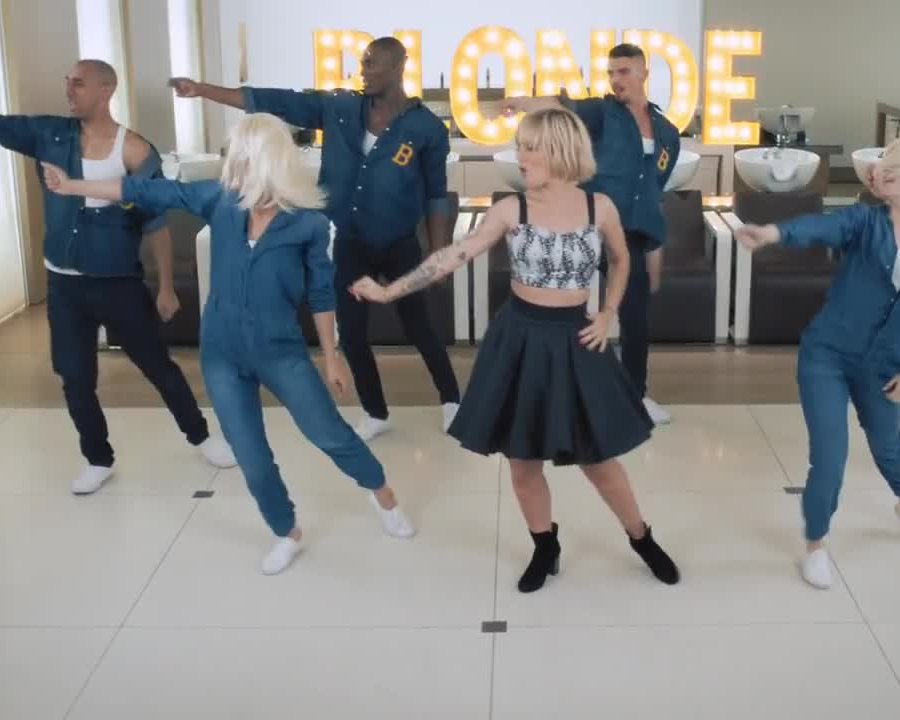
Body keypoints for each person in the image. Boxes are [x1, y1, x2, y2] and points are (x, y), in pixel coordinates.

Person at [43, 113, 416, 575]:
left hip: (280, 353)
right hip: (221, 354)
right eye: (232, 157)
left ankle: (383, 494)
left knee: (329, 434)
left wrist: (332, 357)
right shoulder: (219, 202)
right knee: (251, 457)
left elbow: (322, 295)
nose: (233, 167)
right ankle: (286, 531)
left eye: (242, 158)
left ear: (268, 163)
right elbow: (145, 190)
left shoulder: (309, 225)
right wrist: (71, 186)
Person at [350, 108, 679, 593]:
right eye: (519, 146)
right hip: (521, 337)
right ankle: (545, 546)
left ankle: (641, 538)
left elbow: (621, 257)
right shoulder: (510, 209)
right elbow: (454, 255)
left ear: (558, 150)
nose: (519, 156)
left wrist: (608, 311)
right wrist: (389, 291)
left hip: (576, 338)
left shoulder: (600, 207)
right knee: (524, 462)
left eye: (528, 147)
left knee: (599, 460)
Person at [0, 60, 235, 495]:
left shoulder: (135, 151)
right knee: (75, 376)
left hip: (118, 281)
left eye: (78, 83)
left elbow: (156, 223)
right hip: (64, 284)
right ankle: (98, 459)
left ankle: (201, 436)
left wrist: (167, 287)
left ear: (106, 89)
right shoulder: (46, 133)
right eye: (68, 83)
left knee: (157, 366)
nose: (69, 90)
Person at [167, 37, 460, 442]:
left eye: (372, 63)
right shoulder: (339, 107)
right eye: (363, 62)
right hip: (351, 243)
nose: (363, 70)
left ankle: (452, 401)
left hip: (399, 245)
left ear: (397, 68)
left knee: (420, 326)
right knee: (352, 334)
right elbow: (273, 100)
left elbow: (436, 195)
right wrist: (202, 90)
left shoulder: (426, 128)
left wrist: (441, 253)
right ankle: (375, 412)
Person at [734, 136, 900, 590]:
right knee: (829, 457)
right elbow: (821, 227)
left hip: (884, 366)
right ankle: (816, 544)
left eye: (891, 170)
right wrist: (774, 233)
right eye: (882, 168)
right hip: (827, 355)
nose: (880, 175)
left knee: (888, 447)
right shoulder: (865, 221)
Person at [504, 43, 681, 426]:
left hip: (631, 237)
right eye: (611, 72)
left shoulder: (668, 132)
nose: (616, 79)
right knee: (563, 312)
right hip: (587, 227)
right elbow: (560, 106)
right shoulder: (602, 113)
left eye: (624, 71)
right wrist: (523, 103)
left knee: (636, 318)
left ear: (643, 73)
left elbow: (655, 190)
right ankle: (553, 393)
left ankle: (635, 396)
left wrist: (655, 243)